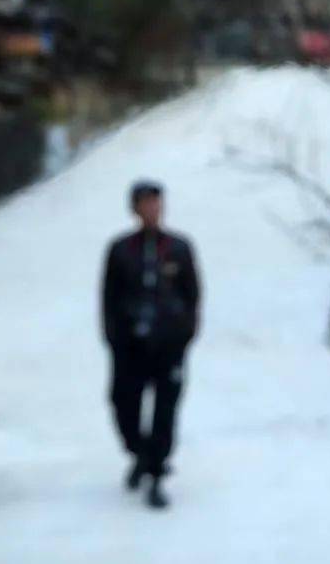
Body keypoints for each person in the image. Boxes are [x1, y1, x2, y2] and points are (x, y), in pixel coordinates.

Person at [101, 180, 201, 509]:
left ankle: (157, 473)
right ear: (134, 209)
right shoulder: (120, 250)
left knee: (164, 410)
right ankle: (139, 453)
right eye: (145, 204)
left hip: (168, 344)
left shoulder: (179, 247)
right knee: (123, 404)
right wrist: (114, 337)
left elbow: (192, 294)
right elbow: (109, 298)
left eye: (157, 203)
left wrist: (185, 333)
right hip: (130, 345)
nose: (152, 210)